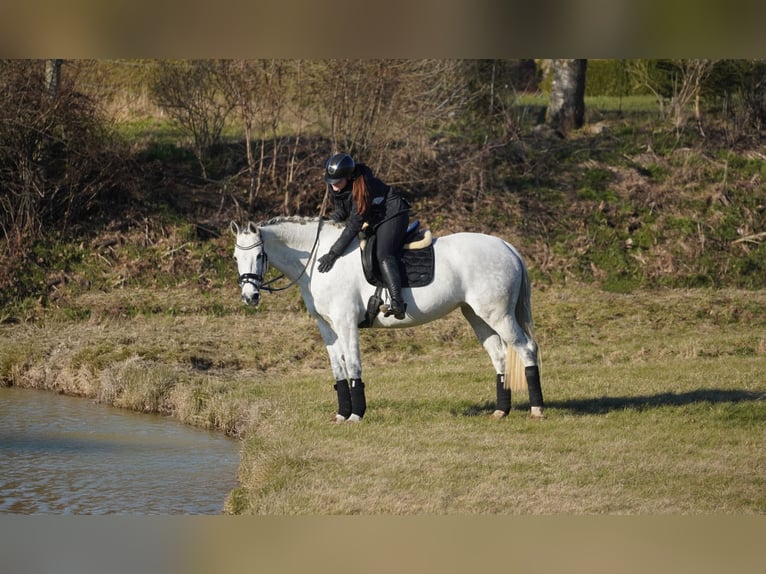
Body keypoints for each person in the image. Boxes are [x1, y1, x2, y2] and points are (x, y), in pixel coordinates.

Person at [317, 152, 409, 319]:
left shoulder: (363, 188)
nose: (334, 187)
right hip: (375, 218)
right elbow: (341, 211)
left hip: (393, 215)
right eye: (331, 183)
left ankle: (398, 303)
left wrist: (333, 253)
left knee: (383, 254)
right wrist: (328, 222)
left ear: (349, 177)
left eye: (337, 183)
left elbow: (353, 226)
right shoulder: (339, 186)